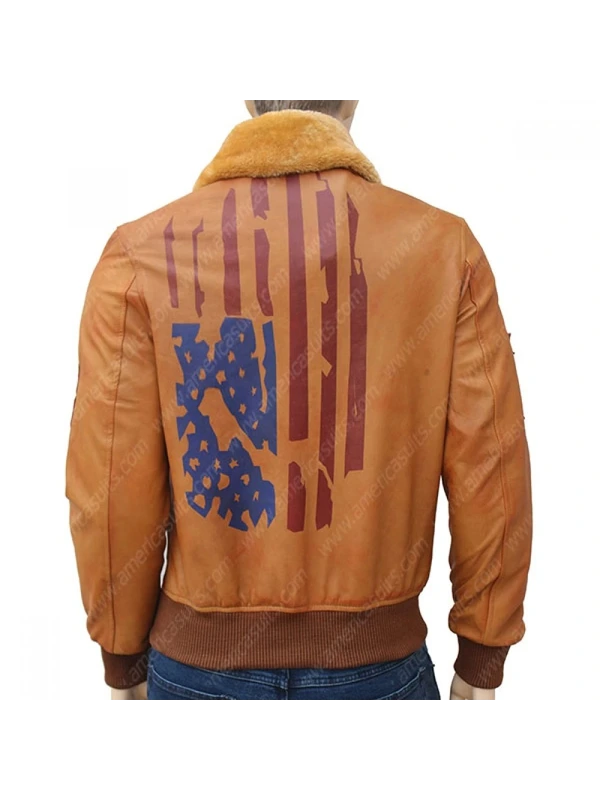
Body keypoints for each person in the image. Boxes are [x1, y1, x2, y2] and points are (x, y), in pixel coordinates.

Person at [66, 96, 532, 703]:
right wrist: (483, 651)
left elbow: (108, 481)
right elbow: (491, 465)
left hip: (199, 669)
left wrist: (121, 653)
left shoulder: (140, 255)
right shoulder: (443, 249)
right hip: (377, 666)